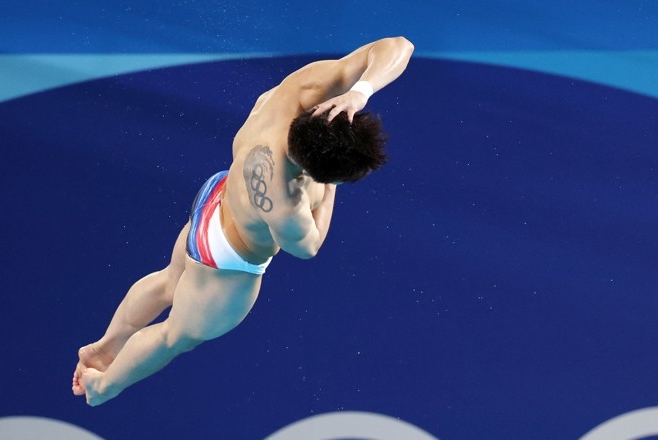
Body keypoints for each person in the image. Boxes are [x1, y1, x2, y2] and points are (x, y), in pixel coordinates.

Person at [72, 36, 415, 406]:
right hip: (228, 258)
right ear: (317, 173)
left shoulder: (299, 92)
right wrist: (331, 188)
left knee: (169, 283)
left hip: (216, 199)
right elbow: (309, 246)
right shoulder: (286, 201)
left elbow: (400, 45)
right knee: (176, 337)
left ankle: (105, 348)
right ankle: (103, 387)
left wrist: (359, 92)